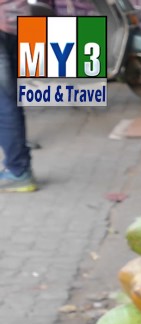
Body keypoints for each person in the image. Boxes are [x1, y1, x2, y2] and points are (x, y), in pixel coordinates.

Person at [0, 0, 36, 192]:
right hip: (20, 24)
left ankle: (18, 170)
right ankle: (20, 166)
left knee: (4, 105)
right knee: (12, 101)